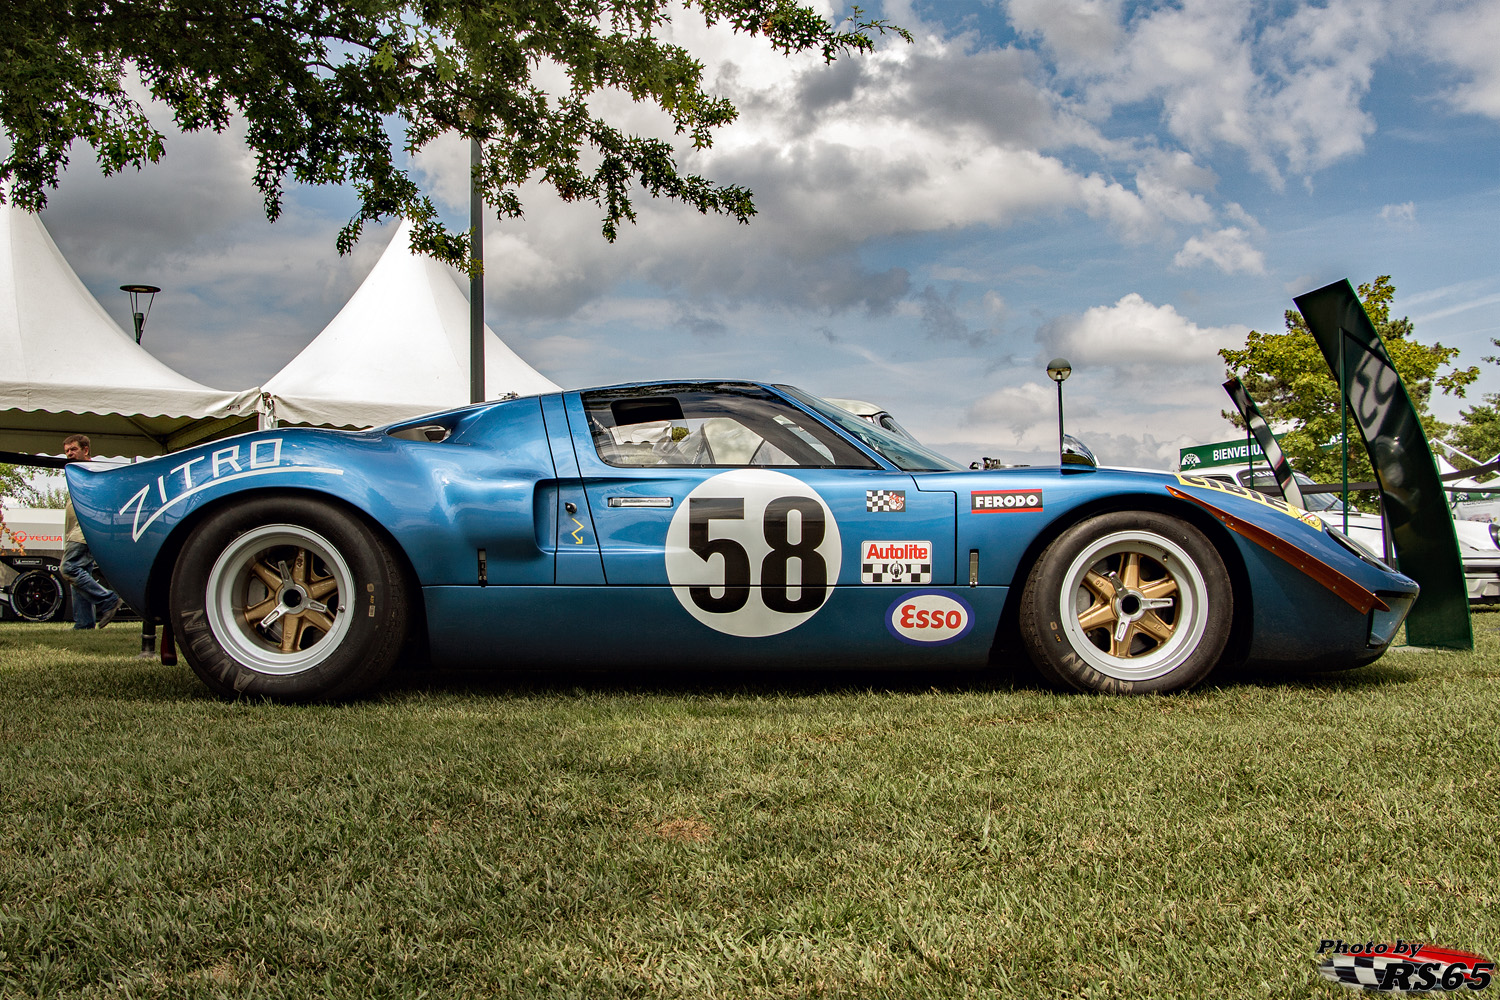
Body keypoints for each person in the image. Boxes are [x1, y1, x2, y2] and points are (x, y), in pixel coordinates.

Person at [60, 434, 123, 629]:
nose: (69, 454)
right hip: (74, 531)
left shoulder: (91, 471)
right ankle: (84, 623)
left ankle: (109, 600)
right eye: (67, 451)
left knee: (69, 568)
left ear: (85, 450)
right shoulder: (76, 472)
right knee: (81, 574)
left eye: (73, 449)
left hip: (83, 530)